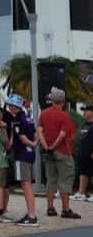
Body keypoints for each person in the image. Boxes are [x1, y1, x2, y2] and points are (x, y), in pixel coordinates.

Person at [38, 88, 80, 219]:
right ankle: (66, 209)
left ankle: (50, 207)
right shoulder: (64, 115)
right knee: (65, 180)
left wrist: (46, 147)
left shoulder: (44, 114)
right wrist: (54, 147)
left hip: (48, 152)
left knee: (51, 179)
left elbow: (39, 131)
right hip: (63, 151)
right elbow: (63, 135)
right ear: (63, 101)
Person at [5, 92, 40, 226]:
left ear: (15, 106)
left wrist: (31, 144)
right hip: (30, 155)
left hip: (22, 155)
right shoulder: (28, 117)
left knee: (26, 185)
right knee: (27, 184)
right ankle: (30, 213)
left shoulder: (18, 120)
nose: (9, 107)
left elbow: (22, 138)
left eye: (10, 105)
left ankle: (31, 216)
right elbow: (36, 133)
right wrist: (35, 144)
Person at [73, 103, 93, 201]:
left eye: (86, 110)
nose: (84, 112)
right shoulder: (84, 124)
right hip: (82, 153)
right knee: (83, 172)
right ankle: (81, 193)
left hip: (91, 153)